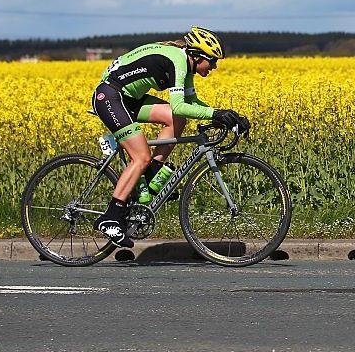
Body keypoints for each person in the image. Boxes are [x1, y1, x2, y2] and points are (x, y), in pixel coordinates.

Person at [91, 26, 249, 247]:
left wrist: (225, 115)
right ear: (198, 55)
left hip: (128, 99)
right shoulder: (177, 61)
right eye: (212, 61)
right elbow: (179, 105)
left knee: (177, 119)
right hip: (110, 97)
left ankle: (151, 175)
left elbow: (190, 105)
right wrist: (216, 114)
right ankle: (110, 217)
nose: (214, 67)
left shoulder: (186, 64)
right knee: (141, 156)